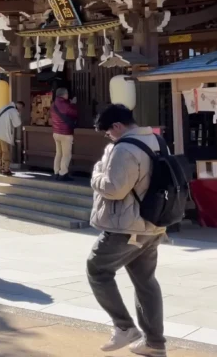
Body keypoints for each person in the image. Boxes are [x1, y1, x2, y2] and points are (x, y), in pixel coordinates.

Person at [88, 104, 166, 357]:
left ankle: (124, 327)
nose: (109, 138)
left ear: (117, 127)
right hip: (154, 223)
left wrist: (96, 175)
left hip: (127, 225)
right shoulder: (156, 140)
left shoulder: (125, 148)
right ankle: (154, 343)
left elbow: (114, 189)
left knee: (97, 269)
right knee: (145, 281)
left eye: (108, 133)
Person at [49, 88, 79, 181]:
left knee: (58, 153)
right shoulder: (67, 105)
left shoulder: (53, 104)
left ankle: (56, 172)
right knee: (66, 154)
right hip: (65, 133)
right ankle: (63, 173)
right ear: (64, 94)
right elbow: (75, 114)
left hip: (56, 132)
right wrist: (73, 104)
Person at [0, 100, 25, 176]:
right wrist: (18, 114)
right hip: (4, 134)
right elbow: (17, 123)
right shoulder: (14, 111)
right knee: (5, 152)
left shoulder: (5, 107)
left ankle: (0, 168)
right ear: (20, 106)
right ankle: (6, 169)